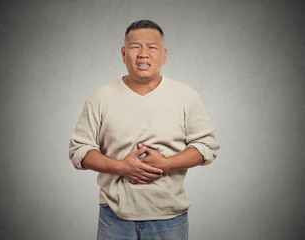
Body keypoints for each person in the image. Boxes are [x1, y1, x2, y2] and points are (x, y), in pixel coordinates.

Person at [69, 19, 220, 240]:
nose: (143, 53)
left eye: (151, 47)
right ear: (123, 53)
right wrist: (122, 167)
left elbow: (206, 147)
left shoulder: (186, 96)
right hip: (114, 217)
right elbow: (80, 151)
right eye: (135, 46)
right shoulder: (99, 98)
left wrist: (166, 163)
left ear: (164, 54)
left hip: (170, 219)